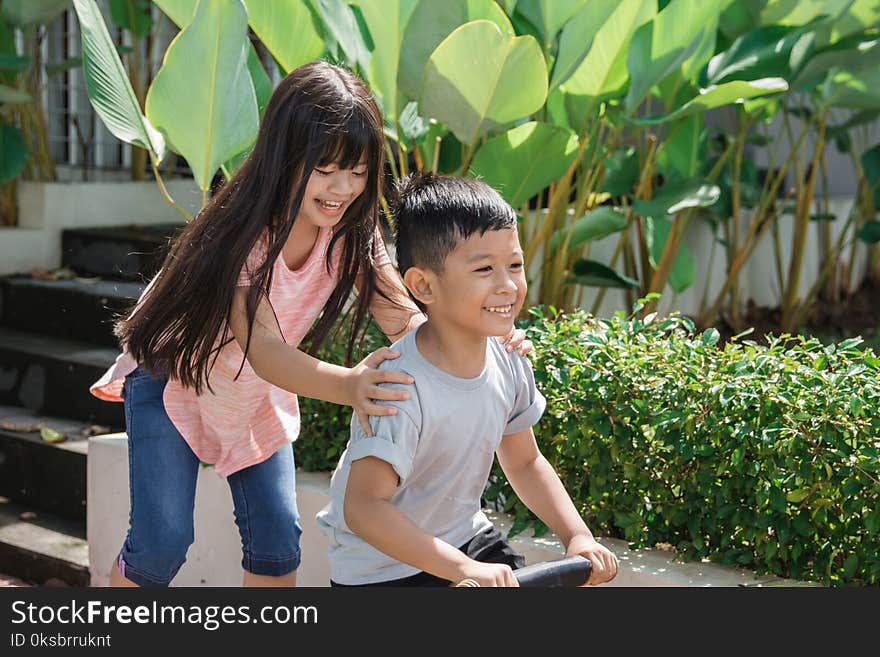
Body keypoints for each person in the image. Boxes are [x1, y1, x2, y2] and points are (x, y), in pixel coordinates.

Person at [89, 61, 531, 588]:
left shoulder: (354, 234)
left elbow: (405, 317)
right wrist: (350, 384)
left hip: (255, 395)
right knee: (162, 542)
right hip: (175, 381)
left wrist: (480, 339)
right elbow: (267, 350)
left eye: (359, 171)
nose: (342, 187)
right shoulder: (245, 235)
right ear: (284, 157)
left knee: (277, 543)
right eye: (325, 169)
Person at [316, 173, 619, 587]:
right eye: (484, 269)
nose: (508, 285)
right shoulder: (399, 386)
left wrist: (577, 536)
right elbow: (365, 508)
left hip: (466, 540)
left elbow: (526, 462)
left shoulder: (508, 358)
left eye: (514, 265)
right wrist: (463, 570)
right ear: (423, 285)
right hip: (383, 571)